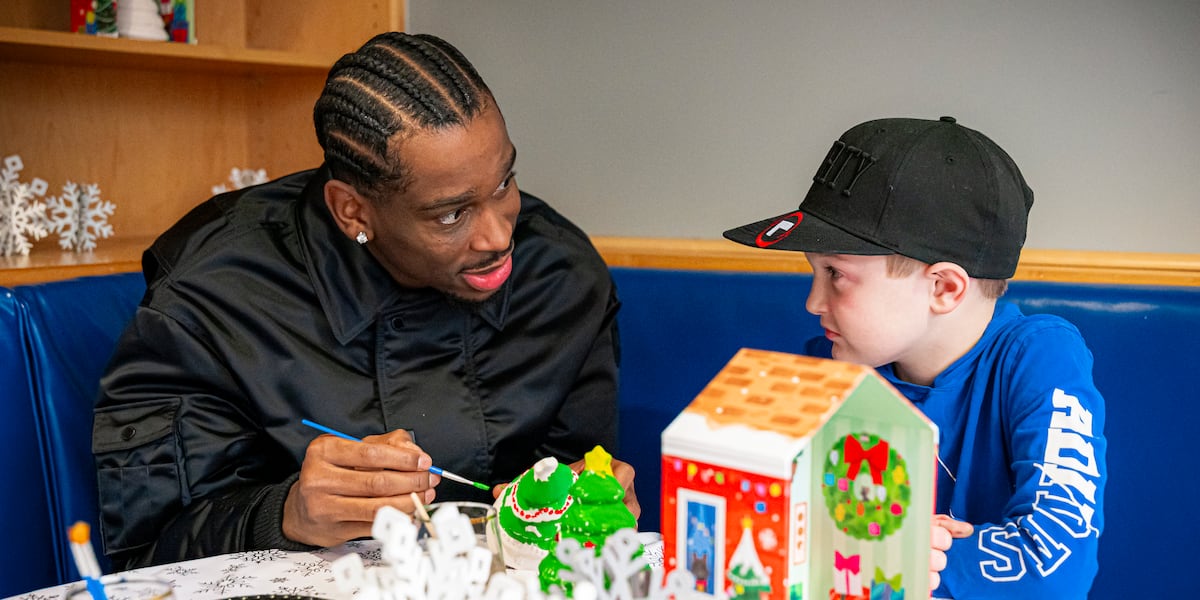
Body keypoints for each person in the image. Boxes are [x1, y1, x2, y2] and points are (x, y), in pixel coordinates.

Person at [92, 32, 634, 570]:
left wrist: (591, 505)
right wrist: (283, 514)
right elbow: (148, 556)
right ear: (352, 211)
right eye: (450, 214)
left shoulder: (560, 278)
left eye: (504, 184)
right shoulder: (210, 299)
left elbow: (574, 491)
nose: (497, 237)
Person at [723, 116, 1105, 598]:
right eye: (813, 272)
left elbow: (1059, 562)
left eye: (836, 274)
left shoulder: (1038, 356)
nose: (813, 302)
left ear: (944, 288)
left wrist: (909, 558)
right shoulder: (835, 362)